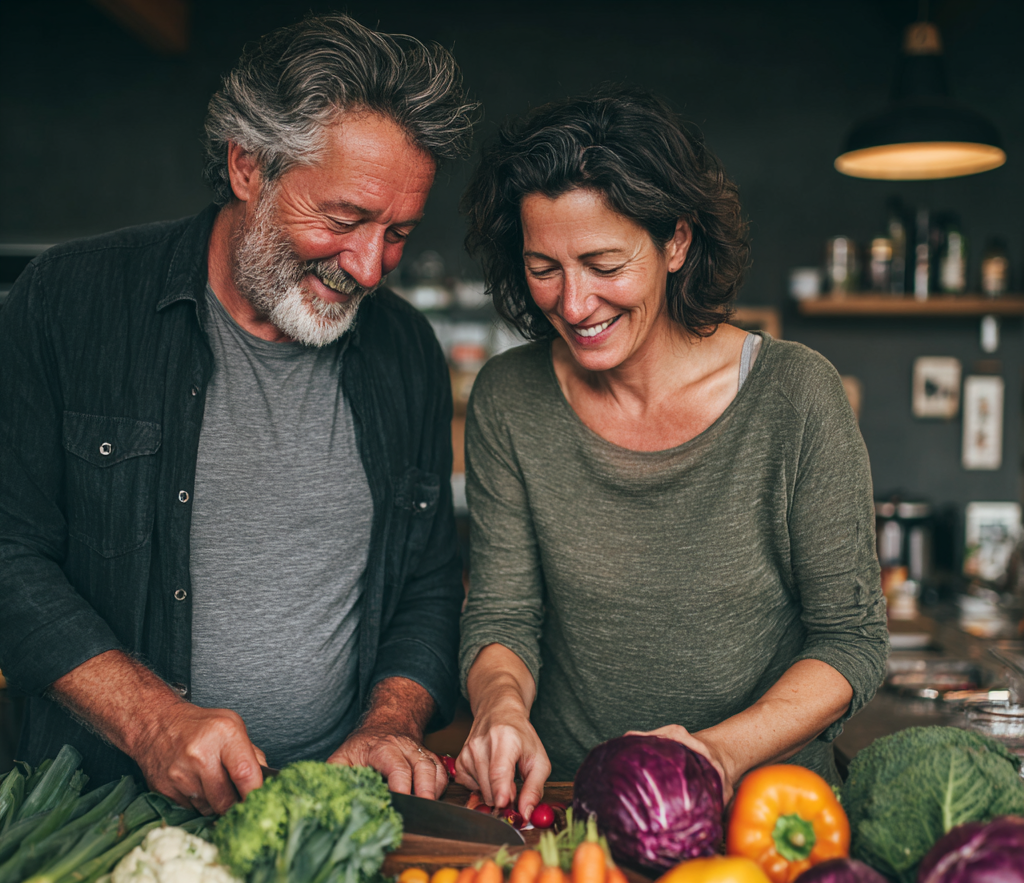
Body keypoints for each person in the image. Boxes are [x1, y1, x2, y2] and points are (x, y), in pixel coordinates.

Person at [0, 14, 478, 815]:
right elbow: (9, 551)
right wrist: (152, 722)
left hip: (329, 826)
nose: (368, 266)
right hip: (95, 822)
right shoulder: (67, 302)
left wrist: (391, 723)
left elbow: (428, 581)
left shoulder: (405, 350)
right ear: (248, 166)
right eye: (343, 219)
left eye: (398, 233)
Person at [456, 89, 889, 821]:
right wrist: (499, 710)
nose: (574, 303)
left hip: (763, 812)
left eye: (603, 263)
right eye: (543, 267)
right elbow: (502, 613)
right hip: (565, 808)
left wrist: (716, 754)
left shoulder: (795, 394)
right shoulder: (508, 398)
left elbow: (851, 642)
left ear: (676, 243)